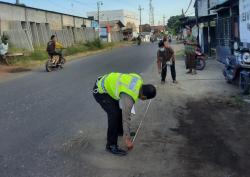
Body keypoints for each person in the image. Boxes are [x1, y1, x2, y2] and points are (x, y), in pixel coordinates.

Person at [93, 73, 156, 156]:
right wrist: (128, 138)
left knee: (117, 111)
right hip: (101, 91)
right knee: (114, 115)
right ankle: (111, 145)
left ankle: (119, 132)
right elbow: (126, 119)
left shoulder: (138, 78)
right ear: (144, 97)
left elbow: (127, 77)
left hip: (108, 85)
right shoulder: (128, 98)